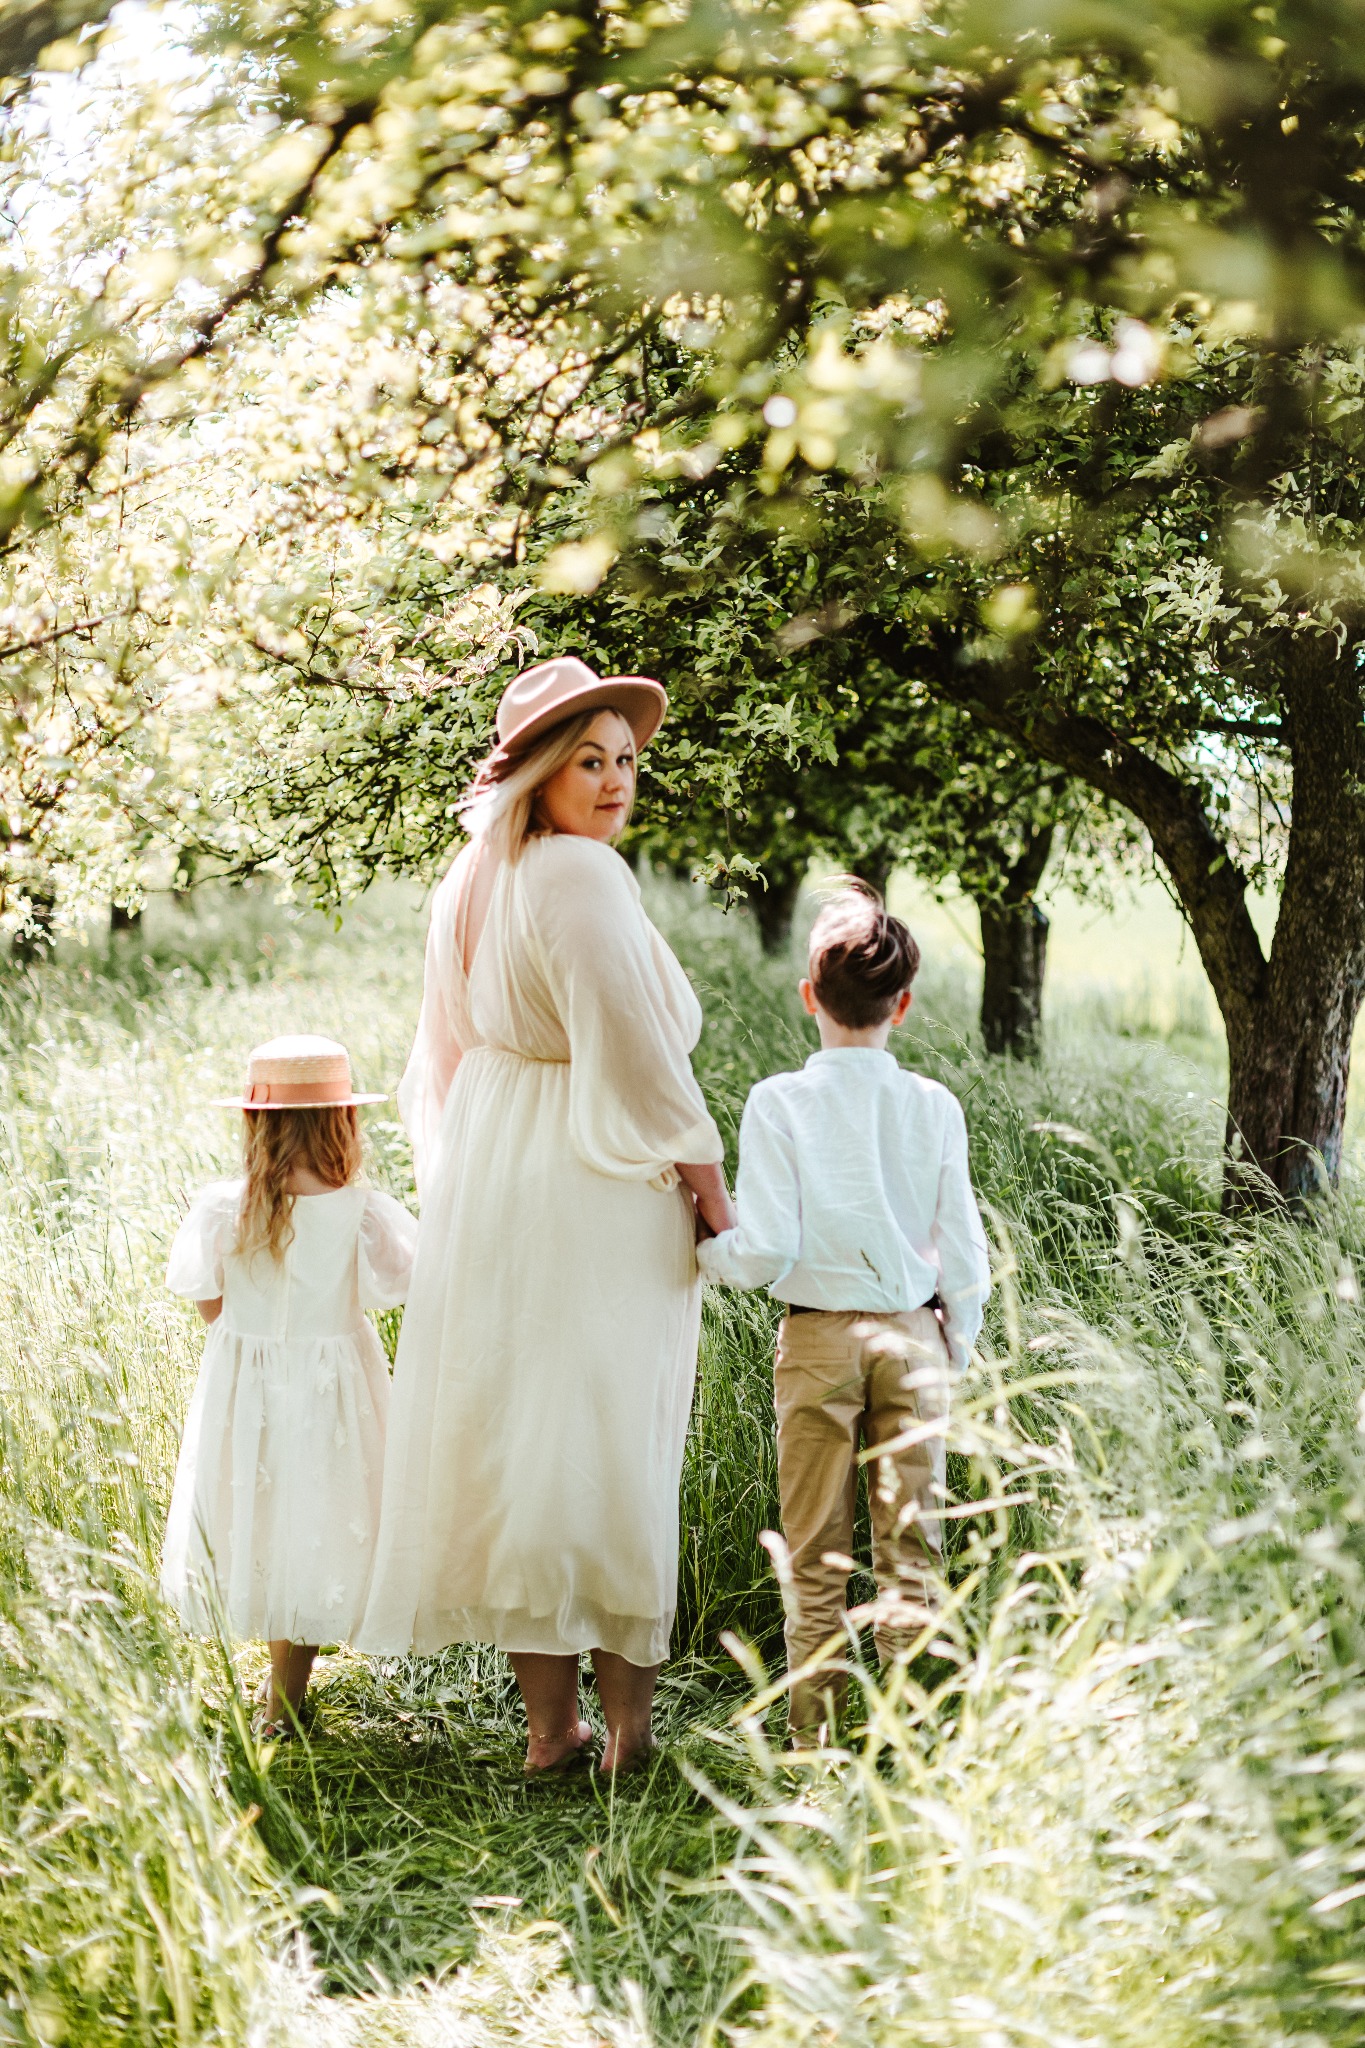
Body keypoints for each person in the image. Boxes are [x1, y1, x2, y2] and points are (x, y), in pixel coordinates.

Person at [360, 656, 733, 1776]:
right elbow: (638, 1052)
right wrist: (710, 1186)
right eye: (590, 760)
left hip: (499, 1169)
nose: (617, 781)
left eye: (626, 760)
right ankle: (623, 1732)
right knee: (614, 1438)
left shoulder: (474, 875)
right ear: (537, 770)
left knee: (531, 1444)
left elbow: (446, 1054)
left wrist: (468, 1176)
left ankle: (547, 1729)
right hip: (591, 1177)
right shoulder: (575, 874)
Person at [696, 883, 990, 1739]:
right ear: (901, 1004)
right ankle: (905, 1737)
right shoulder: (932, 1105)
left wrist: (704, 1254)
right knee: (912, 1552)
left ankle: (811, 1743)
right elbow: (963, 1252)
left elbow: (766, 1252)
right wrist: (953, 1350)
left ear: (807, 998)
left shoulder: (778, 1102)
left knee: (815, 1555)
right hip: (913, 1337)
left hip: (818, 1339)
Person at [161, 1035, 417, 1739]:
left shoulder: (222, 1208)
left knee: (265, 1515)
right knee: (314, 1518)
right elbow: (398, 1284)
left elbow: (205, 1298)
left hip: (245, 1388)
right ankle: (285, 1699)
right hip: (334, 1388)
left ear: (255, 1124)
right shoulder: (358, 1210)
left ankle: (282, 1703)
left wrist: (251, 1341)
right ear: (342, 1124)